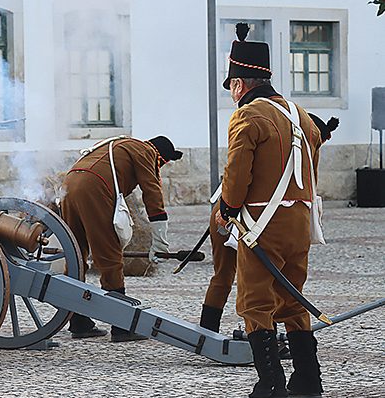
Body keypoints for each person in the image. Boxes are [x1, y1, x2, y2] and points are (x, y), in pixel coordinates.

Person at [215, 23, 324, 398]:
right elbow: (313, 168)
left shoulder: (248, 117)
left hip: (263, 223)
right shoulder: (303, 115)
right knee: (292, 296)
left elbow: (237, 171)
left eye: (231, 85)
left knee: (254, 301)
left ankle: (271, 387)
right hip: (300, 221)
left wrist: (228, 208)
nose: (231, 93)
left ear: (240, 84)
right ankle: (308, 379)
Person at [200, 114, 339, 334]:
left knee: (232, 276)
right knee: (257, 279)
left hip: (233, 209)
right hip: (246, 215)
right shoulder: (300, 145)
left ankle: (207, 333)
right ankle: (214, 333)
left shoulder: (285, 139)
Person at [61, 135, 183, 342]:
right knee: (109, 254)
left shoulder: (119, 143)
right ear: (162, 157)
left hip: (69, 183)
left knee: (76, 252)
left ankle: (78, 320)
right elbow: (152, 191)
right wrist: (160, 238)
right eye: (163, 163)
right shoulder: (147, 152)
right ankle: (121, 325)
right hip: (94, 187)